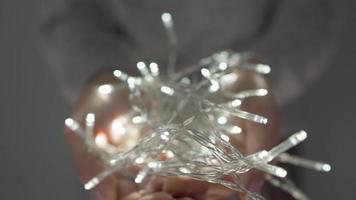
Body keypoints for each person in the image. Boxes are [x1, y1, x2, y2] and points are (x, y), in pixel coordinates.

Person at [39, 0, 344, 199]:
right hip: (129, 142)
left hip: (255, 138)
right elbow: (66, 12)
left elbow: (313, 10)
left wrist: (256, 76)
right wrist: (102, 77)